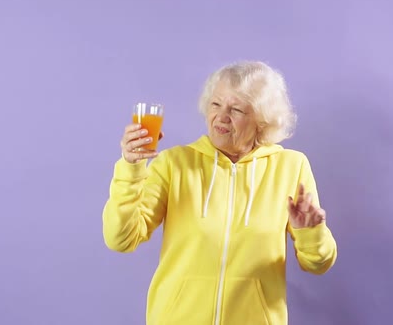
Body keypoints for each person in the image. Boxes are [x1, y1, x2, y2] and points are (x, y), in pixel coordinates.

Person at [102, 61, 337, 325]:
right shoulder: (174, 163)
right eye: (216, 105)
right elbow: (120, 239)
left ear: (262, 120)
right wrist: (131, 169)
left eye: (235, 109)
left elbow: (318, 263)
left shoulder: (291, 167)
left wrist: (311, 232)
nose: (221, 117)